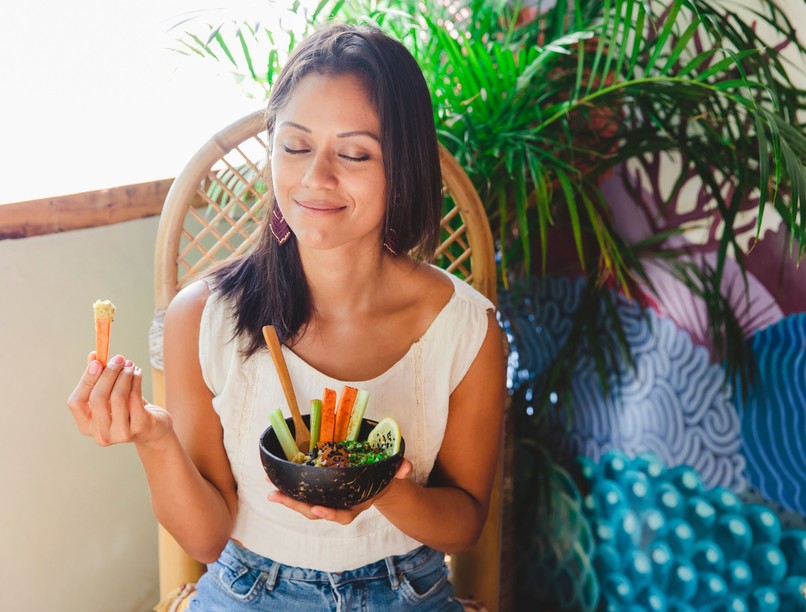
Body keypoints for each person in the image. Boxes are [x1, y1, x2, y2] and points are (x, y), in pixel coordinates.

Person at [67, 22, 506, 611]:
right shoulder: (202, 317)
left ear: (403, 164)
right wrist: (153, 436)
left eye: (354, 153)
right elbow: (205, 537)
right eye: (296, 146)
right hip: (250, 590)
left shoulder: (465, 329)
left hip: (407, 591)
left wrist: (378, 489)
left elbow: (464, 523)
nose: (316, 178)